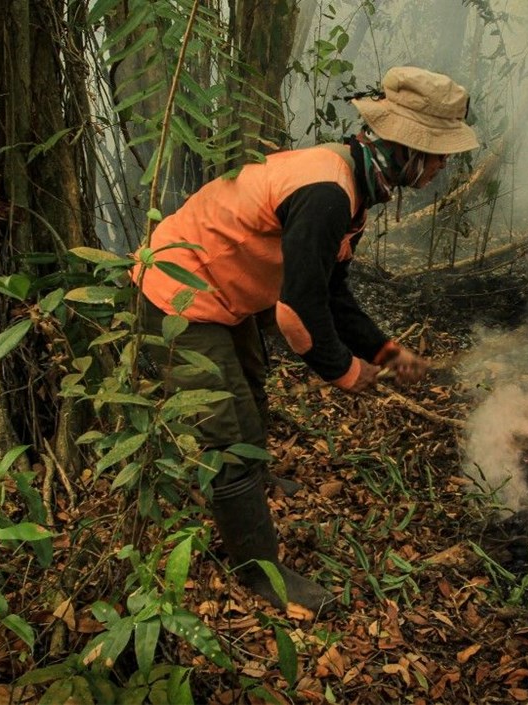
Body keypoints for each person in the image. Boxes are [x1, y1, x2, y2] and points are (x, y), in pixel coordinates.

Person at [132, 66, 478, 614]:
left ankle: (257, 480)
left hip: (227, 290)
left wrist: (384, 351)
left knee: (250, 381)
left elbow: (332, 291)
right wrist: (342, 370)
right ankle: (259, 571)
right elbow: (298, 310)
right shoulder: (327, 193)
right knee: (228, 431)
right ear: (406, 147)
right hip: (182, 290)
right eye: (437, 155)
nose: (442, 167)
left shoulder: (354, 184)